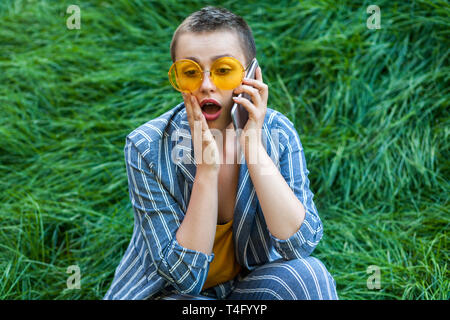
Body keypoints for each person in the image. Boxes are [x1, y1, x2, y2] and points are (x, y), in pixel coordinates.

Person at [103, 6, 338, 300]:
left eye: (223, 70)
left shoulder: (278, 133)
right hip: (172, 294)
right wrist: (206, 171)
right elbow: (184, 278)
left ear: (251, 75)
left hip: (249, 287)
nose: (206, 85)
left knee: (308, 275)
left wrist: (253, 148)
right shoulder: (146, 147)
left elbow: (300, 246)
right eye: (190, 72)